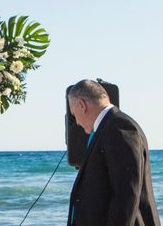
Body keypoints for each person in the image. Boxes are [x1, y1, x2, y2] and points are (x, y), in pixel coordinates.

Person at [67, 79, 160, 226]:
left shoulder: (119, 128)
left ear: (81, 105)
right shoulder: (108, 127)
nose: (77, 122)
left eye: (74, 114)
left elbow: (126, 194)